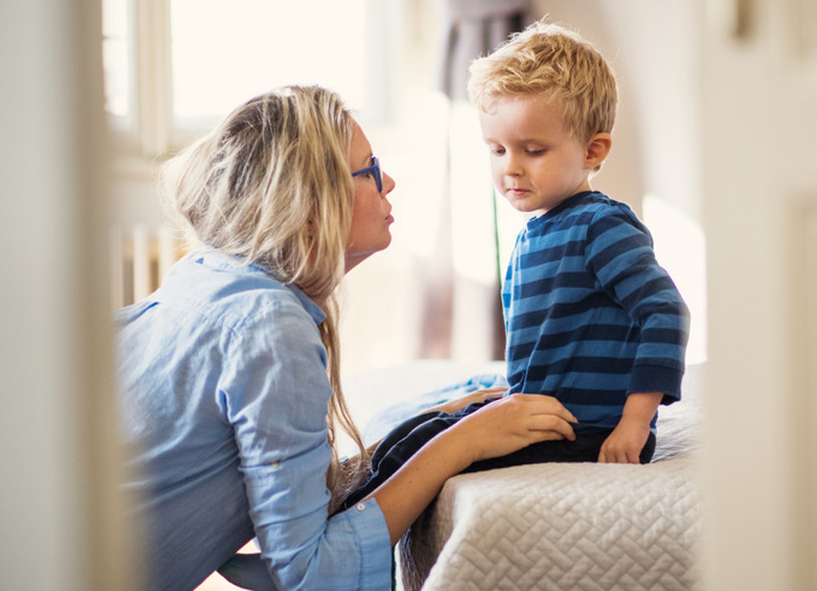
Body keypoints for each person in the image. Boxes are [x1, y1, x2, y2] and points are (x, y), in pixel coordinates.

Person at [114, 85, 578, 590]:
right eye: (370, 171)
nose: (390, 182)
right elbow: (310, 575)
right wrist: (463, 442)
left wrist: (430, 426)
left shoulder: (205, 276)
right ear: (310, 209)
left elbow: (292, 501)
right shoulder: (269, 325)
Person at [337, 21, 689, 505]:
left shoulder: (599, 227)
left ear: (593, 150)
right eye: (497, 150)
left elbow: (665, 313)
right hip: (540, 416)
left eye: (534, 150)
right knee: (418, 430)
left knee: (430, 450)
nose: (511, 168)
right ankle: (325, 515)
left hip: (583, 431)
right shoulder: (535, 232)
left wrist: (634, 423)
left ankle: (338, 533)